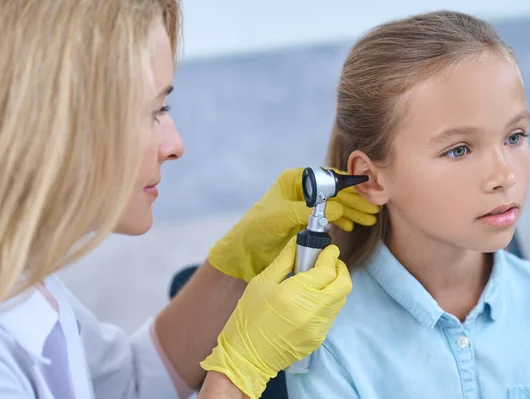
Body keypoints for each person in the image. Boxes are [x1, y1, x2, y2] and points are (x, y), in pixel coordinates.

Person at [0, 1, 380, 399]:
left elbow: (127, 385)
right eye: (154, 111)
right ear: (54, 121)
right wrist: (240, 369)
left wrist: (236, 265)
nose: (175, 146)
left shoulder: (25, 275)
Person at [286, 11, 530, 398]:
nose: (504, 175)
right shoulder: (327, 342)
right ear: (371, 178)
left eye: (515, 137)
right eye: (459, 150)